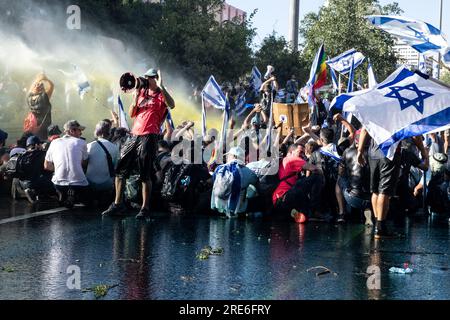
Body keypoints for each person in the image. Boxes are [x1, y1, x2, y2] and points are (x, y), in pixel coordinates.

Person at [102, 68, 175, 219]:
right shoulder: (142, 92)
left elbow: (172, 105)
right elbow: (131, 114)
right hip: (134, 134)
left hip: (150, 135)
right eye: (146, 77)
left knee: (145, 172)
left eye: (150, 78)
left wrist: (162, 86)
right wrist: (135, 98)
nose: (147, 80)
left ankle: (145, 208)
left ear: (156, 78)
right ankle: (117, 205)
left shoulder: (162, 95)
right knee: (120, 168)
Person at [357, 128, 401, 239]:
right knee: (384, 191)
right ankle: (380, 227)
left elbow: (364, 130)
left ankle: (378, 224)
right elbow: (414, 133)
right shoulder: (396, 111)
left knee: (375, 191)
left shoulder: (375, 109)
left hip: (373, 153)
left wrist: (360, 151)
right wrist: (423, 151)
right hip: (390, 152)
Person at [44, 120, 89, 208]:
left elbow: (47, 166)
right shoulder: (81, 142)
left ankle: (62, 192)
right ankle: (73, 195)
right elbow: (85, 163)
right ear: (72, 131)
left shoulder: (54, 142)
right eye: (79, 131)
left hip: (59, 183)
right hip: (79, 184)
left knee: (56, 178)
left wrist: (58, 168)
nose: (81, 133)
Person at [211, 147, 260, 217]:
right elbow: (257, 184)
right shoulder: (248, 172)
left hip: (218, 209)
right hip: (238, 210)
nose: (227, 157)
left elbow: (213, 183)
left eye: (229, 155)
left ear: (233, 156)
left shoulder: (219, 168)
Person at [86, 121, 120, 204]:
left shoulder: (89, 145)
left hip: (90, 182)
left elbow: (84, 163)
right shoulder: (114, 147)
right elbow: (115, 167)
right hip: (107, 183)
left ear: (97, 131)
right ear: (109, 132)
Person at [17, 136, 54, 204]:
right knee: (51, 177)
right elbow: (48, 168)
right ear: (36, 145)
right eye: (40, 144)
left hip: (22, 183)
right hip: (35, 183)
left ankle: (31, 191)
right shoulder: (42, 154)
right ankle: (41, 193)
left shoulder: (21, 155)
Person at [25, 73, 54, 140]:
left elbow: (31, 88)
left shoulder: (29, 97)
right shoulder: (44, 96)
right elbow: (52, 86)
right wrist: (46, 79)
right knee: (43, 141)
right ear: (42, 89)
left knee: (32, 140)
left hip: (33, 124)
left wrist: (38, 80)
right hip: (44, 125)